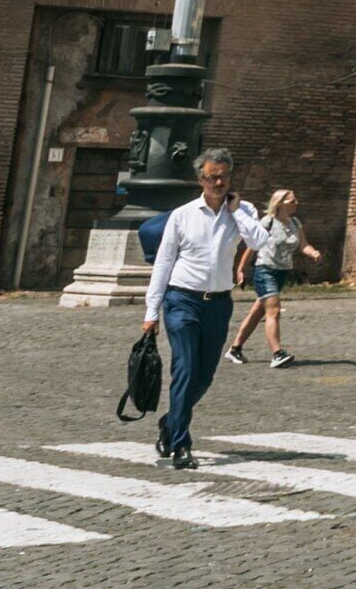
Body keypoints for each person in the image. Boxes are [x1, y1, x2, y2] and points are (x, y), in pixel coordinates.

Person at [138, 148, 276, 470]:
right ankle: (181, 444)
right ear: (200, 179)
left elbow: (258, 241)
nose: (218, 182)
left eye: (224, 176)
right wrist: (151, 312)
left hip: (218, 304)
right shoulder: (182, 215)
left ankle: (170, 421)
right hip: (181, 301)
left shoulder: (242, 212)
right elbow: (163, 264)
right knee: (185, 368)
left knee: (204, 376)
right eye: (212, 177)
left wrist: (237, 210)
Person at [222, 188, 322, 369]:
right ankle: (277, 353)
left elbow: (303, 245)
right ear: (280, 203)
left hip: (282, 272)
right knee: (274, 311)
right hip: (265, 270)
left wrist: (313, 253)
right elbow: (252, 246)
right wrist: (241, 269)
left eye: (296, 200)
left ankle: (235, 348)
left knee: (258, 312)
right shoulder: (267, 222)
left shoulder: (295, 223)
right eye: (292, 201)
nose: (296, 203)